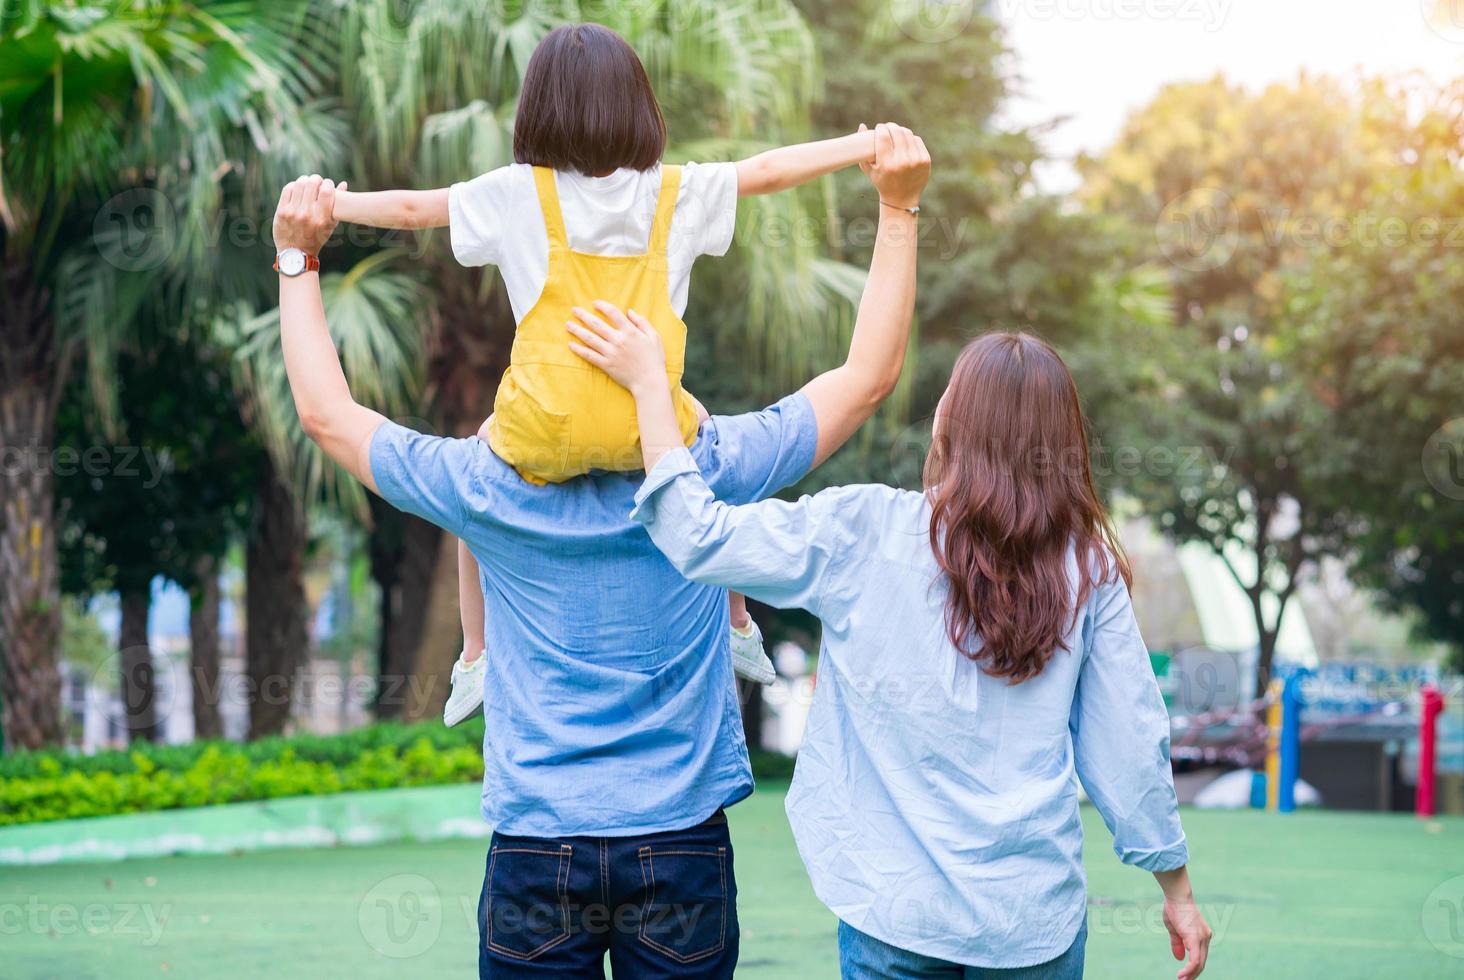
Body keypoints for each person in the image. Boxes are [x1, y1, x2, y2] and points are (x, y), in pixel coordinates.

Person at [270, 122, 929, 977]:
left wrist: (299, 259)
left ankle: (482, 656)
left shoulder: (484, 484)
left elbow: (329, 415)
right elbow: (865, 378)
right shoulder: (707, 474)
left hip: (537, 849)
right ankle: (737, 631)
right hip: (681, 845)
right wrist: (898, 207)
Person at [571, 317, 1214, 978]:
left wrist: (652, 386)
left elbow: (697, 537)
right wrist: (1177, 891)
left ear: (950, 425)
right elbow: (1128, 743)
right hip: (1030, 923)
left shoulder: (864, 529)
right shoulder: (1089, 568)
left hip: (894, 915)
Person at [329, 23, 883, 722]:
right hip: (648, 435)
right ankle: (739, 622)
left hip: (541, 434)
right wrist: (858, 146)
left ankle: (474, 656)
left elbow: (413, 210)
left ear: (538, 109)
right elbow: (768, 170)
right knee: (712, 445)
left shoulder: (516, 194)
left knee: (471, 488)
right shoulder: (675, 193)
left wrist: (335, 205)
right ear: (639, 106)